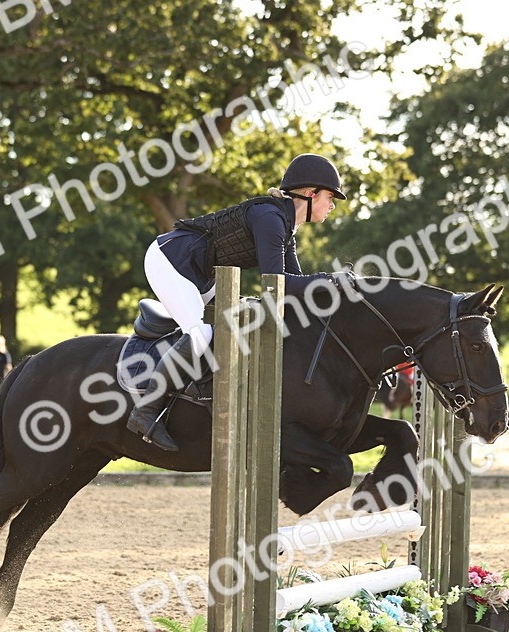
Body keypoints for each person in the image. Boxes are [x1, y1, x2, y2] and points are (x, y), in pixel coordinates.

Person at [126, 153, 346, 450]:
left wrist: (333, 291)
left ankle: (201, 395)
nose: (332, 206)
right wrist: (332, 280)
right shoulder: (270, 218)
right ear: (310, 194)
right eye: (330, 198)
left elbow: (292, 288)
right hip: (170, 261)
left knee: (237, 321)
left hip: (200, 274)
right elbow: (276, 283)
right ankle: (145, 411)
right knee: (201, 333)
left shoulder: (285, 227)